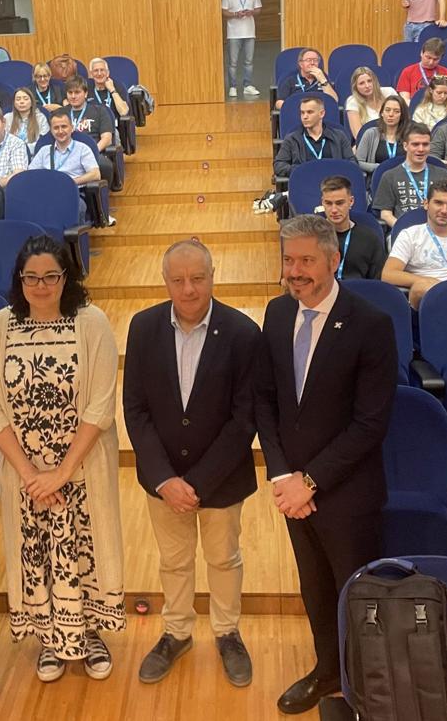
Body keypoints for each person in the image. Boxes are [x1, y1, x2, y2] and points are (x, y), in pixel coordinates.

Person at [255, 213, 397, 715]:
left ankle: (370, 688)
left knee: (356, 594)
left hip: (347, 491)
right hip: (293, 490)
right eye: (288, 260)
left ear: (333, 260)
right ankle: (327, 673)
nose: (295, 271)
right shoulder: (275, 314)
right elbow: (265, 401)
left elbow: (370, 423)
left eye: (306, 261)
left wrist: (310, 481)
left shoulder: (370, 324)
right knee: (314, 586)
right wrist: (281, 475)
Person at [0, 235, 125, 684]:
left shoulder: (91, 322)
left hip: (83, 465)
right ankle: (49, 638)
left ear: (67, 277)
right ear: (19, 279)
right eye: (31, 277)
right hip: (24, 473)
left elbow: (99, 404)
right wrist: (30, 474)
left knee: (87, 549)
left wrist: (60, 473)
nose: (41, 286)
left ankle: (90, 633)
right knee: (36, 552)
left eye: (51, 277)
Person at [123, 240, 258, 687]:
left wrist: (196, 481)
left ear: (212, 275)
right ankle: (176, 632)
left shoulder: (242, 333)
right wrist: (164, 478)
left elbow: (244, 420)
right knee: (173, 562)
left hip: (220, 478)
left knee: (224, 559)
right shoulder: (142, 328)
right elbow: (136, 410)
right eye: (178, 280)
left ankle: (227, 633)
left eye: (197, 278)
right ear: (165, 281)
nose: (188, 289)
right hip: (163, 482)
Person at [382, 179, 447, 309]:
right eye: (438, 203)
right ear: (426, 204)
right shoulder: (410, 235)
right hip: (427, 300)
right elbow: (388, 274)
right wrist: (431, 282)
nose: (444, 210)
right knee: (421, 287)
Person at [369, 123, 447, 227]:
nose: (421, 149)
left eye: (425, 144)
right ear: (405, 146)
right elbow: (385, 214)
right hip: (403, 231)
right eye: (415, 144)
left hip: (437, 230)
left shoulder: (442, 174)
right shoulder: (390, 176)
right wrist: (403, 229)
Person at [29, 111, 104, 223]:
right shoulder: (44, 151)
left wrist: (70, 182)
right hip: (48, 194)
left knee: (77, 207)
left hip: (73, 193)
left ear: (71, 128)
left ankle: (75, 239)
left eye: (64, 126)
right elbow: (30, 175)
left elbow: (95, 174)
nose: (60, 131)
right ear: (51, 130)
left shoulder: (82, 149)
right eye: (56, 128)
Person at [272, 96, 355, 183]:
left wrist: (334, 170)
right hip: (305, 184)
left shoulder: (339, 136)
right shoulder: (292, 139)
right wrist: (303, 170)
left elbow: (352, 163)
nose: (305, 117)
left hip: (334, 185)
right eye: (302, 113)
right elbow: (279, 165)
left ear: (322, 113)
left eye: (309, 112)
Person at [320, 176, 387, 280]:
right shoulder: (313, 237)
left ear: (351, 201)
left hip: (359, 293)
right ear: (322, 202)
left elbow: (378, 282)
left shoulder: (369, 239)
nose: (334, 210)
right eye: (328, 203)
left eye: (339, 203)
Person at [221, 0, 263, 98]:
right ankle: (233, 87)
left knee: (248, 61)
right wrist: (235, 14)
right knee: (233, 62)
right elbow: (223, 11)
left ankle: (247, 86)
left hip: (249, 32)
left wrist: (251, 12)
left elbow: (258, 9)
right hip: (234, 33)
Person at [354, 95, 410, 176]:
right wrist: (380, 167)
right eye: (387, 110)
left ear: (402, 115)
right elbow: (358, 162)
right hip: (376, 179)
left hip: (403, 178)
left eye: (396, 111)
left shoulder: (409, 136)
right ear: (382, 113)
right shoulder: (370, 134)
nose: (391, 114)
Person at [343, 67, 396, 141]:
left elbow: (403, 120)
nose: (367, 86)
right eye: (362, 83)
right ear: (355, 87)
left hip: (395, 138)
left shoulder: (389, 93)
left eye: (369, 81)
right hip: (370, 143)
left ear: (375, 81)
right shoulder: (353, 101)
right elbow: (358, 136)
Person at [396, 38, 447, 104]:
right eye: (428, 57)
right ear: (421, 53)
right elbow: (405, 99)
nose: (431, 62)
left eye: (436, 59)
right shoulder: (407, 71)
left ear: (441, 58)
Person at [5, 87, 49, 155]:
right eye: (18, 99)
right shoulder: (7, 118)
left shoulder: (40, 118)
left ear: (32, 102)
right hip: (11, 156)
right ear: (14, 103)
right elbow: (3, 141)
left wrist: (23, 149)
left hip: (34, 156)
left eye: (25, 99)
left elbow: (43, 142)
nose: (22, 102)